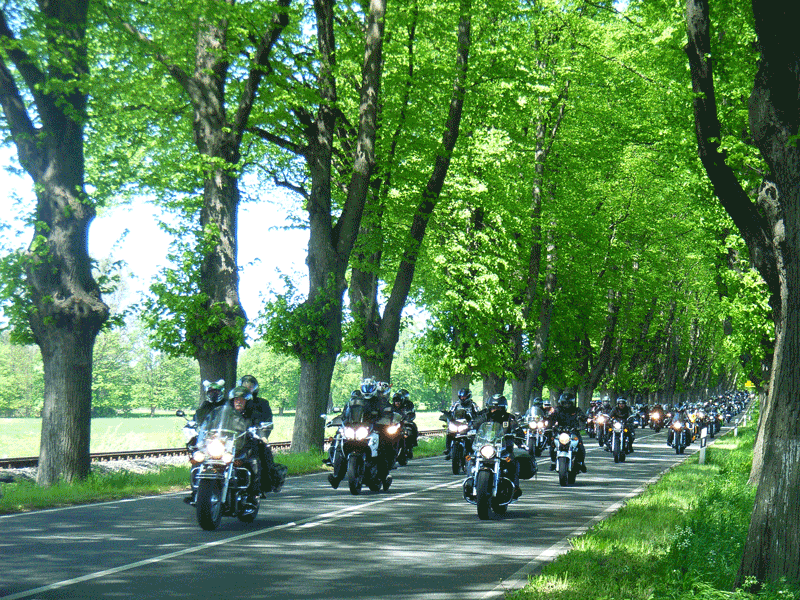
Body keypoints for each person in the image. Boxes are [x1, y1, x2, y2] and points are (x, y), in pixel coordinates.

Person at [237, 374, 286, 495]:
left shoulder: (262, 403)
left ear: (255, 388)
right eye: (245, 386)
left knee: (264, 452)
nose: (248, 388)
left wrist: (263, 435)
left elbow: (266, 421)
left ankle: (265, 483)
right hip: (234, 437)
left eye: (251, 386)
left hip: (252, 436)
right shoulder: (233, 403)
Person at [471, 393, 523, 499]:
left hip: (504, 450)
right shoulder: (484, 417)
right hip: (485, 448)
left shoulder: (509, 418)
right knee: (470, 460)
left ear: (503, 408)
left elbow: (518, 430)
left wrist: (519, 436)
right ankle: (470, 484)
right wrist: (469, 431)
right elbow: (474, 425)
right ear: (489, 408)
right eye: (493, 408)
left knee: (513, 462)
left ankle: (515, 487)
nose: (495, 410)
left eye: (498, 407)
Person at [548, 394, 587, 473]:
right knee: (552, 445)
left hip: (573, 431)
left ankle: (581, 462)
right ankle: (553, 462)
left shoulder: (576, 410)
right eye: (565, 403)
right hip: (560, 431)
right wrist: (549, 425)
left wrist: (583, 420)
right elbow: (551, 418)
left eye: (568, 403)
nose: (567, 405)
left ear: (572, 403)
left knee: (580, 446)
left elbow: (583, 417)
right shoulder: (558, 410)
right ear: (561, 403)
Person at [443, 387, 479, 459]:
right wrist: (447, 417)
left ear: (468, 396)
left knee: (472, 436)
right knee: (449, 433)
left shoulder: (473, 404)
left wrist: (476, 420)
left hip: (468, 424)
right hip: (457, 424)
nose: (463, 398)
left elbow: (478, 413)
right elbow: (450, 412)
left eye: (464, 397)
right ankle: (448, 450)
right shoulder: (456, 404)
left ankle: (472, 451)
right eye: (461, 397)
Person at [392, 388, 418, 457]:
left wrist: (408, 419)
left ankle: (411, 446)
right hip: (394, 423)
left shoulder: (409, 404)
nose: (397, 403)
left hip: (405, 422)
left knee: (412, 427)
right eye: (395, 401)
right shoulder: (391, 407)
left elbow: (411, 412)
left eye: (398, 401)